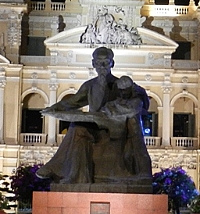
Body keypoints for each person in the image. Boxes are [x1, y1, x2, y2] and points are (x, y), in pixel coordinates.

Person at [36, 47, 151, 185]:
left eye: (105, 62)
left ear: (112, 63)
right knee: (77, 128)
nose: (102, 66)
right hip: (95, 126)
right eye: (98, 62)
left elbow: (142, 102)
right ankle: (75, 176)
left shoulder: (121, 84)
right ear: (93, 64)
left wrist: (136, 91)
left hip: (116, 129)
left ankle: (55, 168)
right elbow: (73, 102)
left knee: (77, 128)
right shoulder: (89, 85)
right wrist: (54, 108)